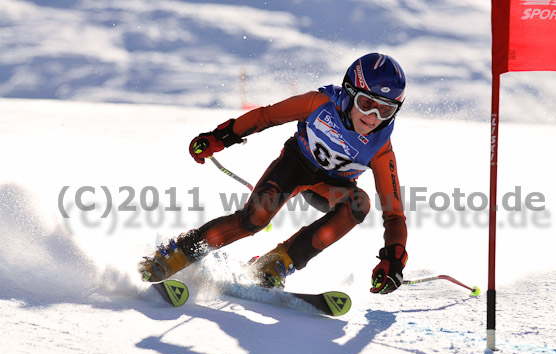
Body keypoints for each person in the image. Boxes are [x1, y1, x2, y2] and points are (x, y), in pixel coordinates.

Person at [139, 52, 409, 295]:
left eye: (385, 109)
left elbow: (394, 213)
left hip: (330, 187)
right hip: (295, 165)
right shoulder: (319, 103)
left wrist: (394, 259)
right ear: (349, 93)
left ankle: (277, 262)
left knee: (358, 203)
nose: (373, 116)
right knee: (255, 218)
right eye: (366, 103)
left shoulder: (380, 148)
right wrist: (220, 137)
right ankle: (177, 253)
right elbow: (267, 116)